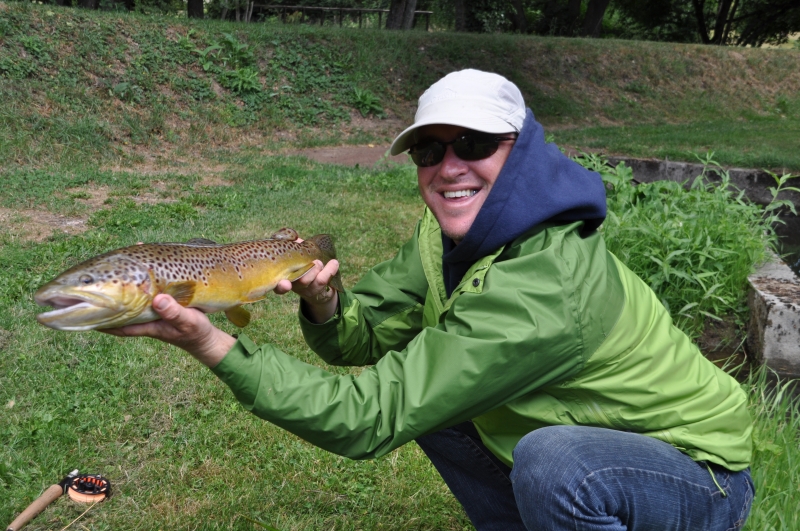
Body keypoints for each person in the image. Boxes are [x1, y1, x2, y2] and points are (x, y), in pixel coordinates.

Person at [107, 69, 754, 530]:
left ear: (522, 152)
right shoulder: (447, 235)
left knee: (555, 464)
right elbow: (362, 340)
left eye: (473, 144)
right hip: (601, 436)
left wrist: (214, 342)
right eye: (428, 148)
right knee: (439, 396)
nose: (448, 166)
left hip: (699, 473)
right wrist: (326, 300)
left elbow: (370, 415)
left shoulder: (550, 279)